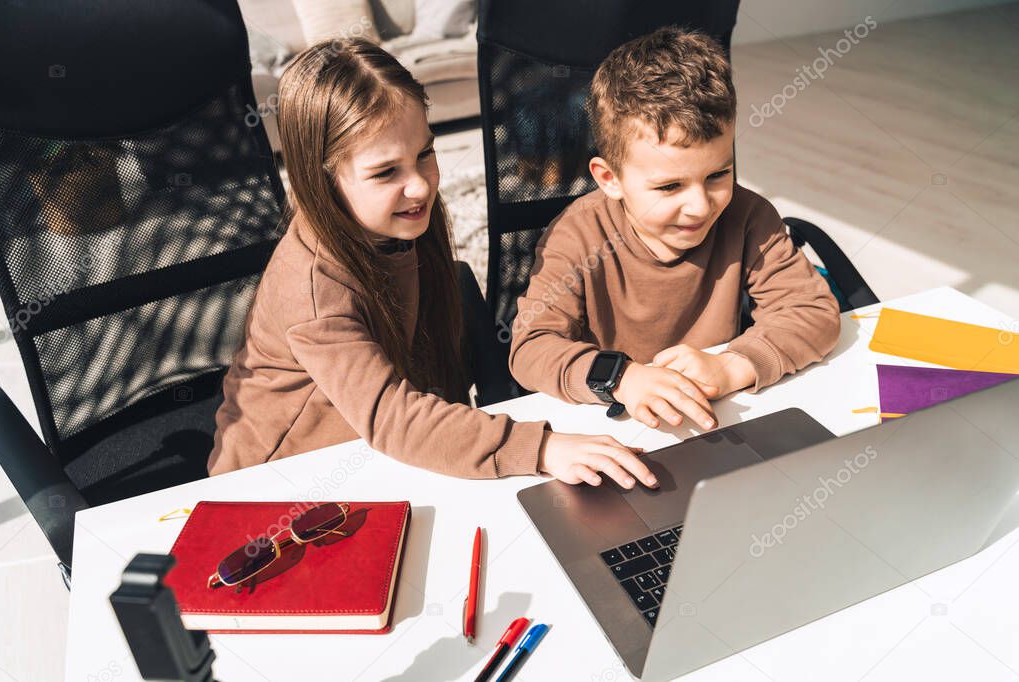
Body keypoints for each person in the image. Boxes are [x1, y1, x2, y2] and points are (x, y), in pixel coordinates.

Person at [208, 39, 657, 490]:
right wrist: (540, 449)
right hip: (276, 486)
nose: (420, 186)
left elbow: (429, 357)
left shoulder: (401, 219)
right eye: (386, 172)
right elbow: (393, 419)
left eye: (425, 153)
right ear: (320, 178)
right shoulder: (313, 289)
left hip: (373, 454)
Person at [509, 26, 841, 430]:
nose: (702, 206)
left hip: (721, 419)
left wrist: (732, 366)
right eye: (669, 186)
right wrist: (622, 378)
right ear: (609, 178)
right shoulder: (577, 235)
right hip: (618, 428)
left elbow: (812, 312)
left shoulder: (749, 216)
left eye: (718, 174)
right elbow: (530, 348)